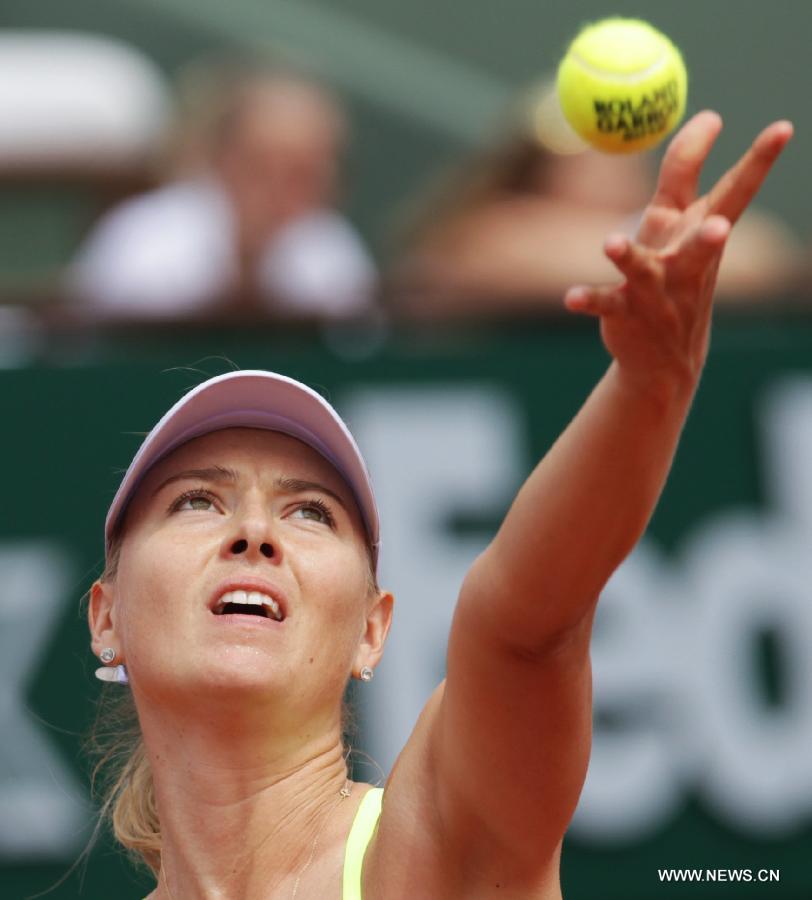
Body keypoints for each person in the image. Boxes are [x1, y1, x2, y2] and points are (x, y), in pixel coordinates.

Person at [85, 111, 791, 898]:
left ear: (372, 629)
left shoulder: (436, 853)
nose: (255, 534)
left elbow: (527, 627)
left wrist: (648, 388)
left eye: (310, 512)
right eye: (196, 502)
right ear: (105, 617)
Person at [390, 82, 802, 317]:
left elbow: (766, 256)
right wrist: (651, 258)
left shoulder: (659, 224)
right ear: (537, 167)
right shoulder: (479, 236)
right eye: (585, 149)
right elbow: (478, 255)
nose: (609, 163)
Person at [67, 65, 375, 320]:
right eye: (262, 166)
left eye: (305, 173)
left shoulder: (333, 247)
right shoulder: (144, 237)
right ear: (220, 158)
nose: (281, 189)